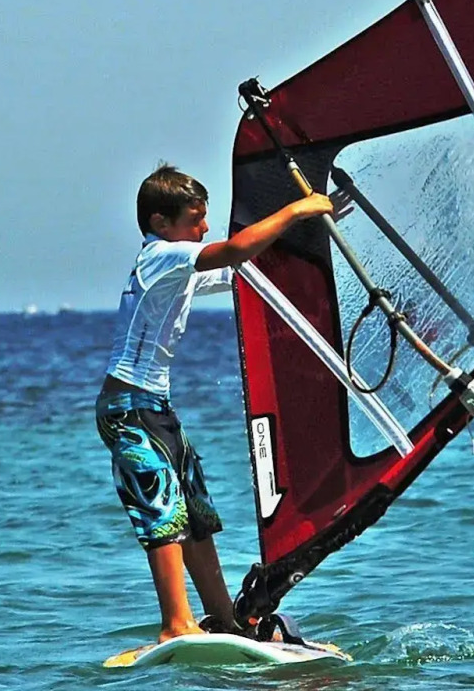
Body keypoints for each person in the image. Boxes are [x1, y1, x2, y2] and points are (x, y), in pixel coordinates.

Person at [96, 162, 332, 641]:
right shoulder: (159, 256)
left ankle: (224, 619)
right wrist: (295, 210)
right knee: (163, 513)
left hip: (154, 407)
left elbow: (243, 271)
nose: (204, 228)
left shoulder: (177, 268)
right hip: (127, 409)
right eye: (195, 219)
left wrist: (313, 230)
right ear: (161, 224)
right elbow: (234, 250)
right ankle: (175, 626)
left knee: (197, 518)